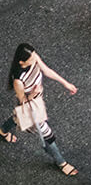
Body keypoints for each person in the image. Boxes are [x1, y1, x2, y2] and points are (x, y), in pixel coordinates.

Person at [1, 44, 77, 174]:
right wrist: (33, 94)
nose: (35, 59)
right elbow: (22, 100)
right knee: (47, 134)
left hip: (37, 100)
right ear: (21, 62)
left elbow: (47, 71)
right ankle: (61, 162)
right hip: (31, 106)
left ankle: (2, 131)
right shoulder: (18, 80)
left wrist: (66, 83)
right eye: (31, 58)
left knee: (17, 117)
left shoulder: (33, 57)